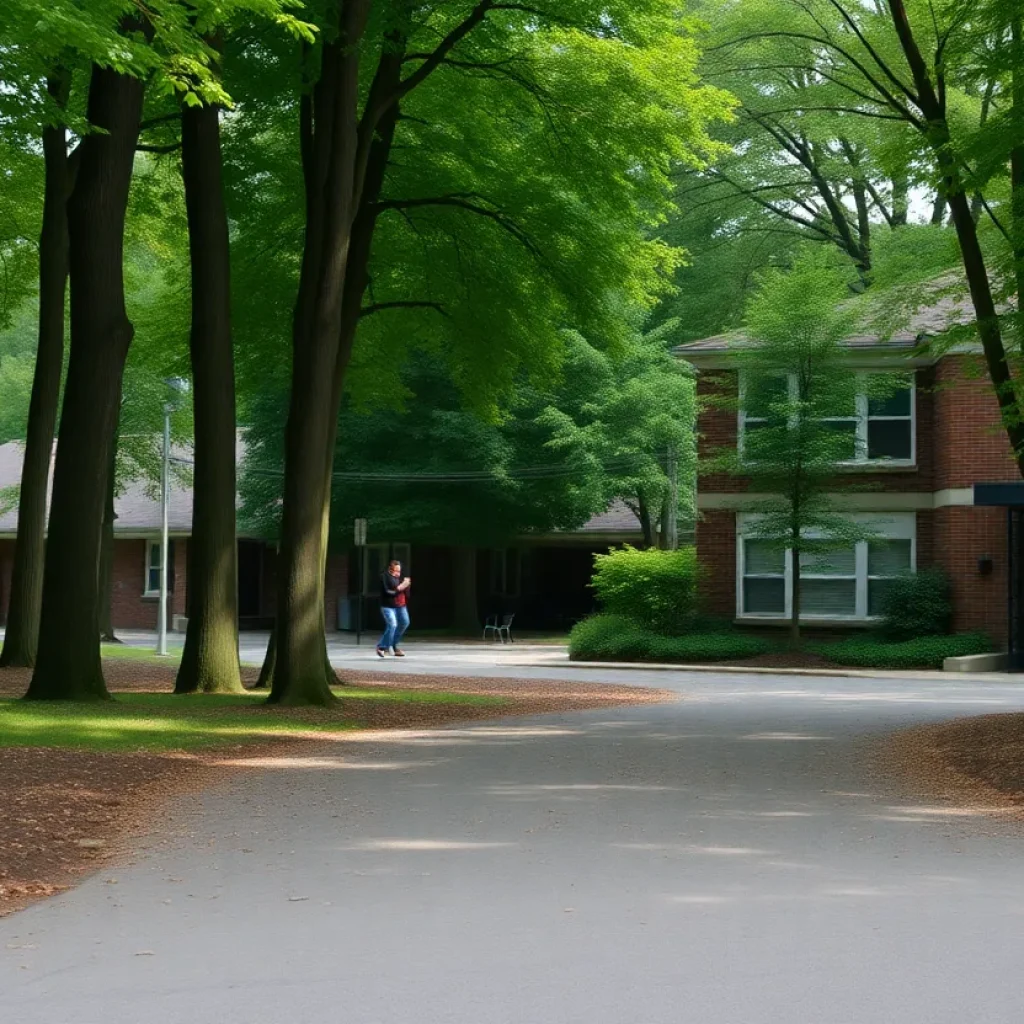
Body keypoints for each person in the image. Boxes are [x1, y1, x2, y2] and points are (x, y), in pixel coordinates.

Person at [377, 559, 411, 657]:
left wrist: (407, 586)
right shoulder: (384, 576)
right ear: (390, 570)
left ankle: (393, 645)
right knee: (392, 625)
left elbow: (406, 594)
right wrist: (399, 588)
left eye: (399, 571)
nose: (398, 573)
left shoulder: (400, 577)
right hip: (388, 605)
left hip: (400, 605)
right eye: (396, 571)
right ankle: (382, 647)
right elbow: (388, 592)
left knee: (405, 622)